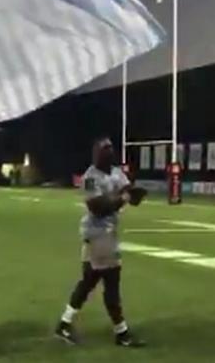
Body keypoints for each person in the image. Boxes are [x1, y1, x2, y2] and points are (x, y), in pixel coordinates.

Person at [55, 137, 146, 347]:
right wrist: (122, 198)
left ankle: (64, 323)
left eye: (111, 148)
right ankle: (121, 332)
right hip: (97, 234)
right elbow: (96, 206)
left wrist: (134, 195)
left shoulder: (117, 172)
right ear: (95, 152)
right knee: (111, 281)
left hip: (108, 234)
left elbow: (129, 193)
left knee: (89, 281)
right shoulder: (89, 177)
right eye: (105, 148)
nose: (109, 151)